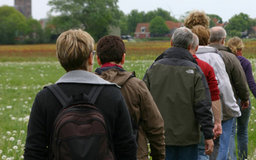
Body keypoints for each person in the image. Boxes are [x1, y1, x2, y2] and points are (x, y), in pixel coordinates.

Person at [24, 29, 137, 160]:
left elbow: (34, 151)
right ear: (90, 58)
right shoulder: (113, 94)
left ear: (60, 59)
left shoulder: (45, 98)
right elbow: (127, 148)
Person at [143, 27, 214, 160]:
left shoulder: (154, 68)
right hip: (188, 138)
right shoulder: (195, 70)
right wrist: (208, 135)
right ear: (189, 46)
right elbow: (203, 105)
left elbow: (143, 101)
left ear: (171, 42)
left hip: (160, 136)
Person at [94, 35, 165, 160]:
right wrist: (158, 156)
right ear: (123, 58)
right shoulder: (137, 86)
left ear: (98, 60)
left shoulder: (89, 86)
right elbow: (155, 127)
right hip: (135, 154)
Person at [189, 25, 241, 160]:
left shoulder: (183, 59)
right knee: (217, 146)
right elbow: (222, 86)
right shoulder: (214, 58)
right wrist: (231, 108)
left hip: (188, 112)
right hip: (213, 109)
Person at [227, 37, 256, 160]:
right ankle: (243, 158)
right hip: (244, 99)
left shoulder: (224, 60)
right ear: (240, 49)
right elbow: (251, 84)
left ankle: (231, 157)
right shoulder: (245, 63)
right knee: (242, 131)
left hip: (229, 99)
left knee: (230, 131)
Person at [189, 33, 222, 160]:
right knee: (202, 152)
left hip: (171, 123)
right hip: (200, 120)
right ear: (196, 48)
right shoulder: (205, 67)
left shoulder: (159, 65)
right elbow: (214, 95)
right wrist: (217, 121)